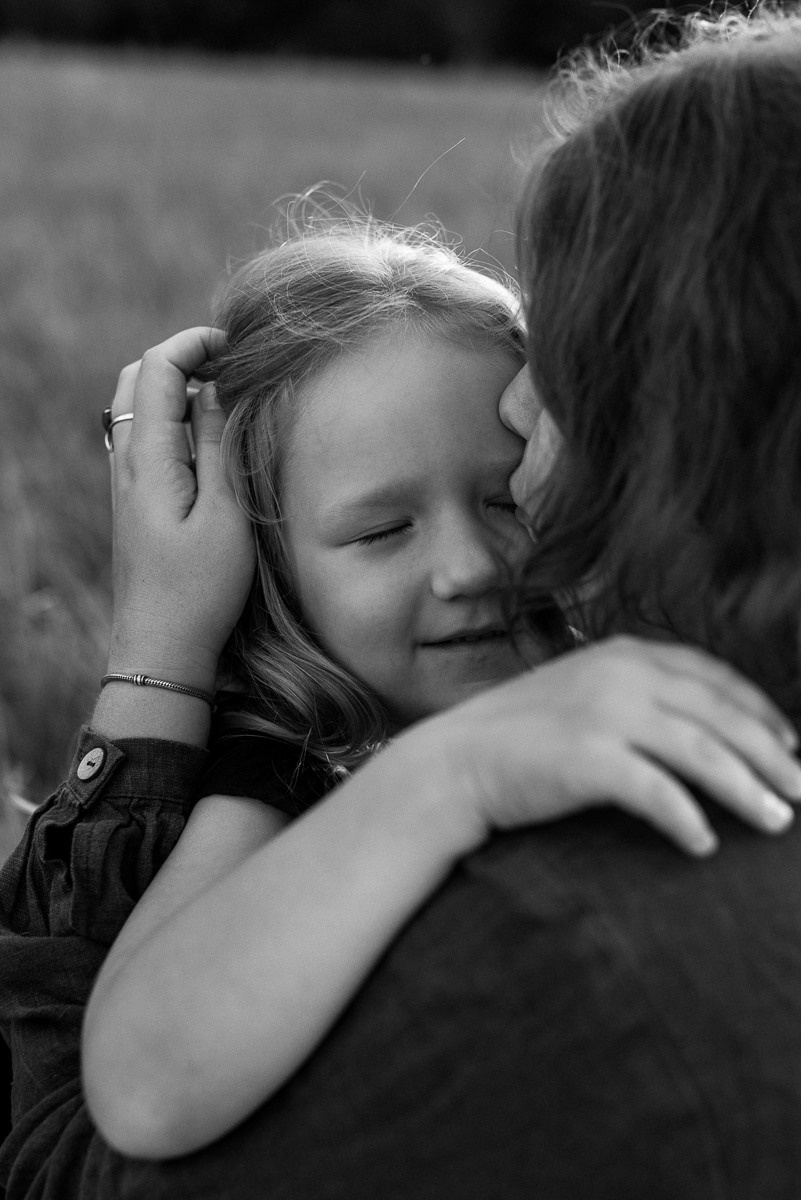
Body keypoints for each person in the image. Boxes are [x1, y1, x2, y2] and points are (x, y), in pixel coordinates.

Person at [3, 6, 801, 1197]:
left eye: (506, 496)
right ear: (274, 573)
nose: (474, 565)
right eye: (381, 528)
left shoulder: (594, 774)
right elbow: (152, 1063)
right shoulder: (295, 784)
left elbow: (93, 1129)